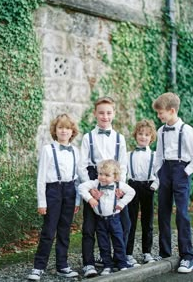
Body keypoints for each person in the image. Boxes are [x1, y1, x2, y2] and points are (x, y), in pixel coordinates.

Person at [78, 96, 130, 278]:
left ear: (113, 114)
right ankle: (89, 263)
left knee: (122, 224)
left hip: (115, 181)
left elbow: (123, 164)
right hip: (94, 179)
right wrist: (90, 187)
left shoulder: (119, 138)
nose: (105, 116)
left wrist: (120, 186)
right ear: (95, 114)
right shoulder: (88, 137)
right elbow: (82, 164)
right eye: (101, 113)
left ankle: (118, 259)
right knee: (90, 226)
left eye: (108, 113)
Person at [152, 92, 193, 273]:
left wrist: (185, 172)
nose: (159, 116)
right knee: (163, 213)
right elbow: (158, 156)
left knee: (182, 214)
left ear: (172, 111)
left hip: (181, 171)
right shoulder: (160, 131)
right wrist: (157, 174)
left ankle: (187, 256)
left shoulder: (187, 131)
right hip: (165, 171)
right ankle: (165, 252)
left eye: (161, 113)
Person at [28, 114, 80, 281]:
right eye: (60, 127)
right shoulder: (47, 150)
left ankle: (62, 266)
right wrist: (42, 202)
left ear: (72, 131)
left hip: (70, 191)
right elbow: (41, 178)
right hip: (53, 191)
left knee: (65, 231)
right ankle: (38, 267)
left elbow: (78, 178)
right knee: (49, 231)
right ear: (55, 130)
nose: (64, 131)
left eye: (67, 128)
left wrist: (77, 200)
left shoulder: (75, 151)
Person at [78, 159, 135, 276]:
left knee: (118, 241)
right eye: (100, 174)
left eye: (107, 175)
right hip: (100, 220)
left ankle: (121, 264)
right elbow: (81, 187)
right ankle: (107, 265)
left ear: (115, 177)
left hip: (114, 219)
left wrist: (122, 203)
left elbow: (132, 192)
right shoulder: (95, 183)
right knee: (103, 244)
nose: (102, 177)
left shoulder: (119, 185)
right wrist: (90, 198)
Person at [126, 119, 159, 266]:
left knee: (148, 221)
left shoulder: (155, 155)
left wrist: (154, 186)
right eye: (140, 134)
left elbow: (159, 174)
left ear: (151, 137)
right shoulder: (128, 155)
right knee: (130, 221)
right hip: (132, 187)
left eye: (147, 135)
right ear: (136, 135)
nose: (143, 137)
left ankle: (147, 252)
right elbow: (124, 172)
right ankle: (128, 254)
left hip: (148, 187)